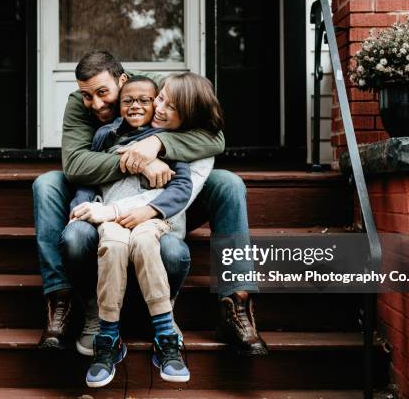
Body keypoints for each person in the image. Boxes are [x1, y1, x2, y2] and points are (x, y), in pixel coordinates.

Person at [33, 50, 268, 358]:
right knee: (47, 184)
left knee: (228, 184)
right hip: (103, 192)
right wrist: (139, 161)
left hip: (166, 192)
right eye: (88, 95)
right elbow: (76, 166)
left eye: (103, 93)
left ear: (123, 80)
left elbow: (215, 140)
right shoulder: (80, 104)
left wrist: (158, 143)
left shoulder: (157, 90)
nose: (97, 104)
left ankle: (235, 303)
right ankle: (61, 300)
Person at [70, 75, 216, 387]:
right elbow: (89, 178)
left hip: (152, 221)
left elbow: (181, 187)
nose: (139, 106)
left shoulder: (171, 140)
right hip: (111, 220)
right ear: (119, 106)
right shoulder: (105, 135)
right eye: (128, 101)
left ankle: (165, 334)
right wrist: (80, 207)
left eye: (150, 101)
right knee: (112, 245)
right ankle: (108, 339)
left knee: (147, 244)